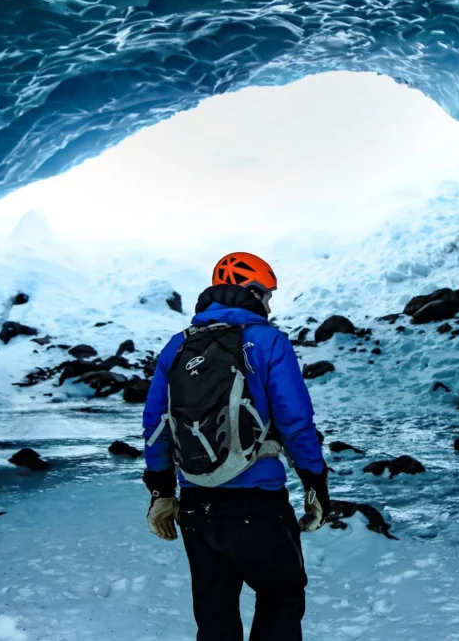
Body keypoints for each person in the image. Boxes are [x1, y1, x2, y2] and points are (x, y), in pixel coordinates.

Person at [142, 251, 330, 641]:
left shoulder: (177, 347)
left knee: (215, 618)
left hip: (197, 506)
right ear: (251, 290)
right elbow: (297, 423)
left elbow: (155, 426)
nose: (270, 304)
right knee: (281, 597)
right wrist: (315, 483)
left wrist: (161, 491)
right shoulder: (267, 341)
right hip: (257, 504)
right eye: (267, 294)